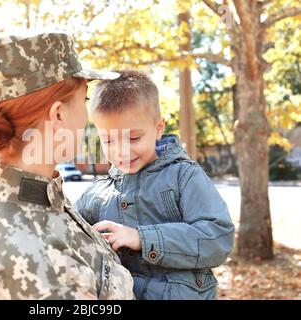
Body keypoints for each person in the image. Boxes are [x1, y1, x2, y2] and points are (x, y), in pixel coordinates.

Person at [0, 33, 134, 300]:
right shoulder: (38, 256)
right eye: (84, 101)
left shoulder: (39, 199)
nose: (87, 117)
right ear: (59, 115)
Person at [74, 70, 235, 300]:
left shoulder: (183, 176)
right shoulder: (99, 193)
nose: (122, 151)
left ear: (159, 128)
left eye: (134, 138)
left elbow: (218, 238)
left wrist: (142, 238)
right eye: (108, 140)